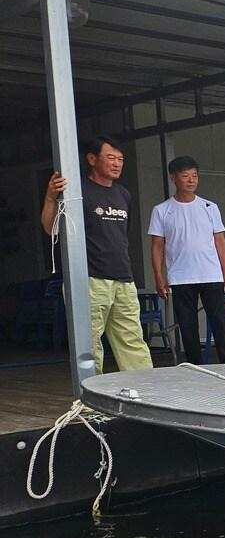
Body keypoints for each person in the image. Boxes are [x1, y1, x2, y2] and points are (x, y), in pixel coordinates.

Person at [39, 136, 153, 374]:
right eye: (110, 157)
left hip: (123, 278)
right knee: (89, 346)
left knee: (133, 342)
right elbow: (52, 229)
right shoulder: (77, 192)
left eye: (120, 159)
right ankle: (91, 402)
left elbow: (121, 236)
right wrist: (50, 197)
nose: (117, 163)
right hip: (90, 279)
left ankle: (145, 396)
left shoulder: (124, 195)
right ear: (92, 159)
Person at [148, 156, 225, 364]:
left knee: (221, 324)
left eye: (194, 176)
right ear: (173, 178)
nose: (191, 180)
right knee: (188, 327)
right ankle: (196, 368)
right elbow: (157, 246)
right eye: (185, 176)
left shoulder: (209, 207)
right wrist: (159, 277)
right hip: (180, 277)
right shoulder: (162, 210)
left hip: (211, 274)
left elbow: (220, 242)